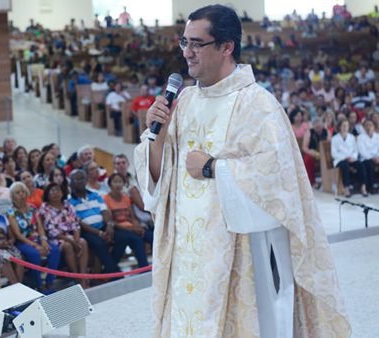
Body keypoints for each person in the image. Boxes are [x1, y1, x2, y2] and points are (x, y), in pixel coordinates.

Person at [137, 5, 348, 337]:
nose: (187, 53)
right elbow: (159, 181)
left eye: (196, 44)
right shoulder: (186, 102)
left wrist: (212, 168)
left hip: (237, 256)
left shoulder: (257, 104)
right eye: (184, 42)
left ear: (226, 46)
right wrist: (158, 138)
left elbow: (277, 181)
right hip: (185, 255)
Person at [7, 182, 61, 291]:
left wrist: (44, 240)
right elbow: (17, 234)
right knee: (34, 254)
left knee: (54, 250)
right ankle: (39, 284)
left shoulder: (32, 208)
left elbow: (40, 226)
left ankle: (49, 282)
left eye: (23, 191)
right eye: (17, 193)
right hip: (23, 242)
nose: (21, 194)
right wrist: (35, 245)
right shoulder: (11, 212)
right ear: (13, 196)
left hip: (37, 238)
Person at [68, 169, 120, 274]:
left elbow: (105, 211)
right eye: (77, 180)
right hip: (87, 231)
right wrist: (99, 233)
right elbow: (79, 222)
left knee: (124, 237)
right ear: (72, 183)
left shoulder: (95, 194)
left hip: (103, 226)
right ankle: (114, 272)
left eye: (82, 179)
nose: (81, 182)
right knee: (100, 243)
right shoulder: (69, 200)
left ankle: (109, 269)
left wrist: (109, 226)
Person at [39, 183, 89, 288]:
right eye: (51, 191)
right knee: (67, 246)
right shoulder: (45, 207)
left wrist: (76, 240)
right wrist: (72, 242)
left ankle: (84, 276)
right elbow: (50, 230)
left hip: (71, 236)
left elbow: (75, 224)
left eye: (57, 190)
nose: (55, 193)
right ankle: (77, 277)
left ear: (62, 192)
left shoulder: (67, 205)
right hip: (56, 239)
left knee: (83, 242)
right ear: (47, 194)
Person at [331, 119, 368, 197]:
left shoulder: (351, 137)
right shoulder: (334, 138)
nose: (345, 127)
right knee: (345, 166)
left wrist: (353, 157)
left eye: (347, 126)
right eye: (343, 125)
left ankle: (363, 187)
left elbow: (355, 150)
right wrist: (345, 158)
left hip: (351, 159)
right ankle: (346, 188)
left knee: (361, 165)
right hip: (340, 160)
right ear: (339, 127)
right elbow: (334, 153)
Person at [301, 117, 329, 187]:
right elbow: (304, 147)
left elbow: (329, 144)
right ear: (313, 126)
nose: (318, 128)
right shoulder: (309, 132)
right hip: (312, 153)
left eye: (319, 126)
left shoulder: (326, 131)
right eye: (316, 127)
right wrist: (312, 153)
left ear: (322, 125)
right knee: (308, 159)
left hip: (324, 153)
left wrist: (322, 154)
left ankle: (328, 181)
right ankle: (312, 182)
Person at [357, 119, 379, 193]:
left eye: (370, 125)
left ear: (374, 127)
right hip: (365, 158)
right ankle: (370, 187)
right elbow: (361, 151)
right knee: (370, 164)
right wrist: (372, 158)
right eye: (367, 125)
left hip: (376, 157)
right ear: (364, 127)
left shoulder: (377, 136)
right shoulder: (360, 137)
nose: (369, 127)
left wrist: (378, 157)